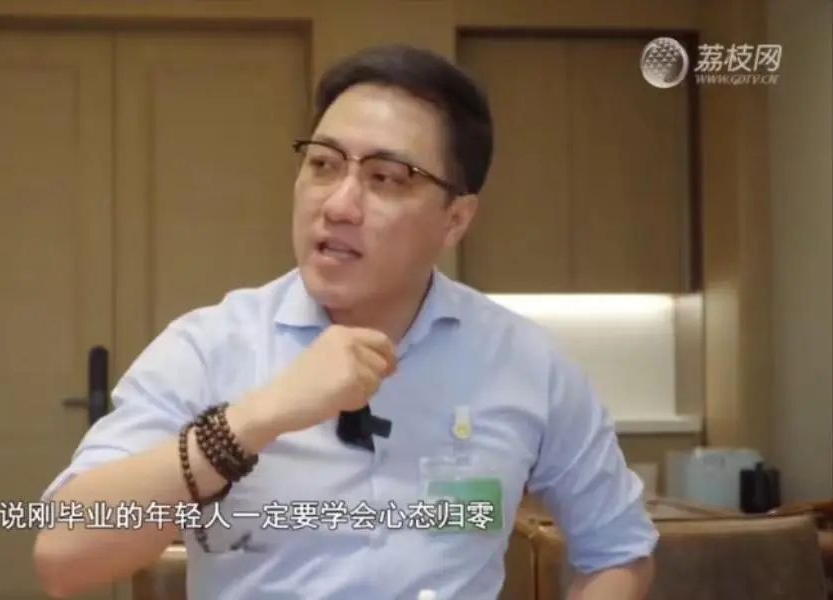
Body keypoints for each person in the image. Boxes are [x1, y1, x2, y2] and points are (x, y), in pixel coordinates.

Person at [33, 43, 657, 599]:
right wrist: (255, 419)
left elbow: (619, 550)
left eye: (386, 178)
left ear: (455, 220)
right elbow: (64, 556)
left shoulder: (525, 362)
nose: (338, 204)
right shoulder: (210, 347)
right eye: (323, 164)